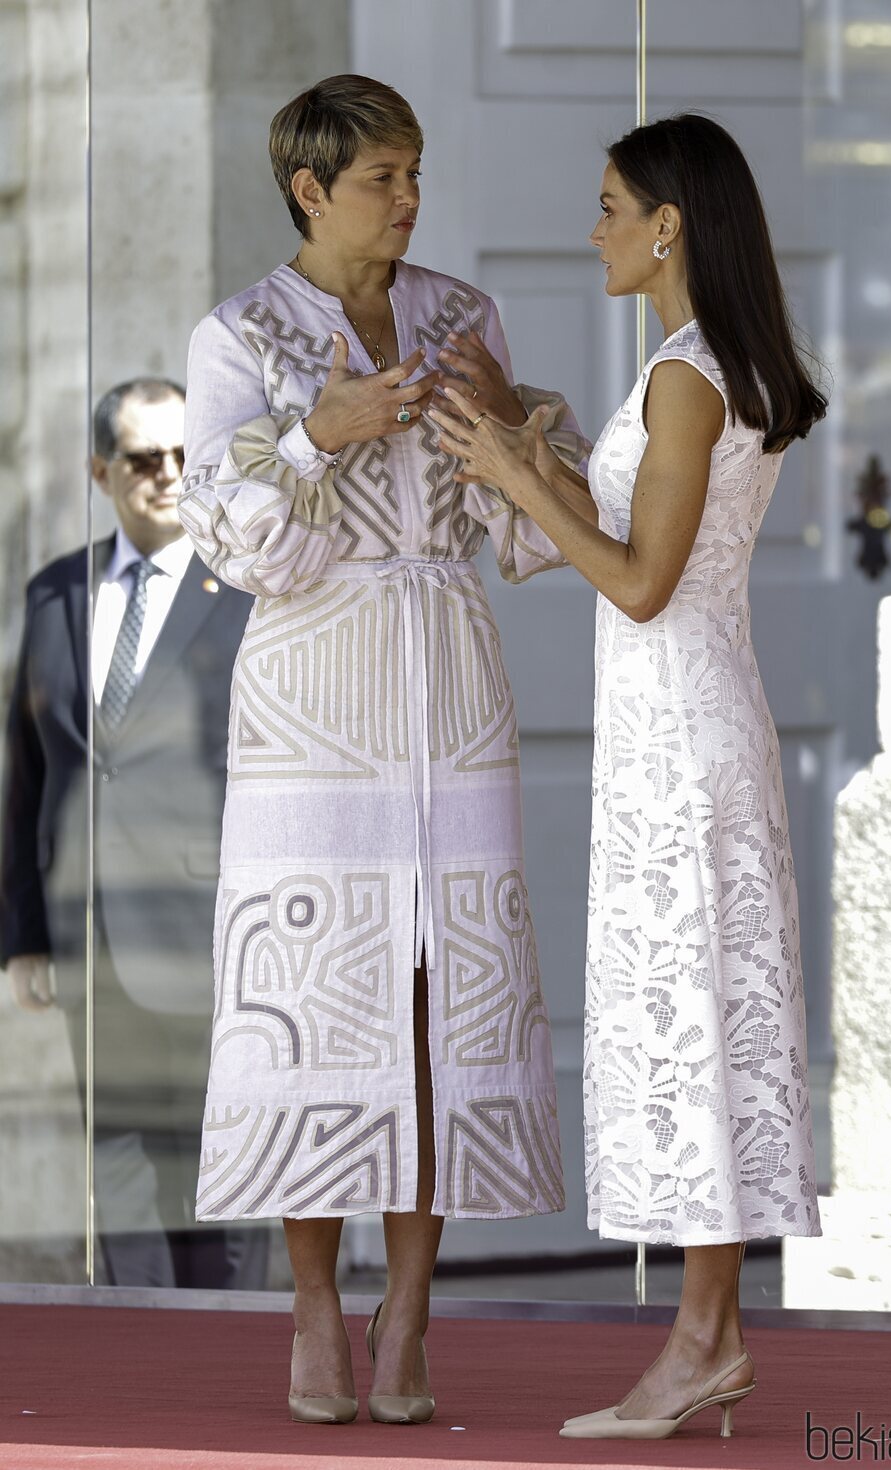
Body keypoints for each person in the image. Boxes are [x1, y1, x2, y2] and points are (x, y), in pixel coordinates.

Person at [177, 74, 588, 1426]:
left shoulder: (463, 313)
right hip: (313, 702)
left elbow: (529, 535)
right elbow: (242, 550)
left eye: (417, 176)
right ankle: (312, 1299)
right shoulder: (236, 334)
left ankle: (408, 1308)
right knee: (316, 996)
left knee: (433, 1007)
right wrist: (317, 431)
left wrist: (516, 417)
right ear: (311, 186)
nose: (411, 203)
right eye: (383, 180)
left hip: (448, 684)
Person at [431, 113, 825, 1442]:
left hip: (681, 735)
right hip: (690, 727)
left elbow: (639, 584)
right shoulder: (704, 363)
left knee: (691, 1020)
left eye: (609, 205)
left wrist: (507, 473)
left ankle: (702, 1340)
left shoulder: (683, 375)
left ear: (669, 224)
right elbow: (631, 537)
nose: (592, 227)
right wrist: (508, 430)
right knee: (698, 1018)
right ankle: (707, 1336)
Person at [1, 378, 266, 1290]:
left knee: (217, 1153)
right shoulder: (53, 594)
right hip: (89, 925)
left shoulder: (248, 588)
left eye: (185, 456)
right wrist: (25, 932)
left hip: (209, 922)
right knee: (112, 1157)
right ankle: (142, 1329)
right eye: (146, 459)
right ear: (101, 470)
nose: (167, 476)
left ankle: (231, 1337)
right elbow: (27, 774)